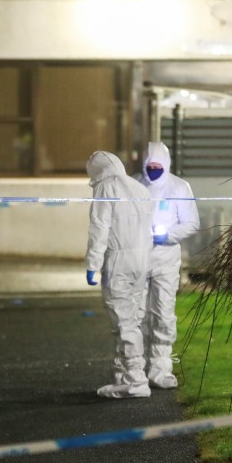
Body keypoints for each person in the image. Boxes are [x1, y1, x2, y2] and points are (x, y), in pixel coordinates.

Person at [85, 150, 154, 399]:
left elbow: (99, 228)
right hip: (142, 260)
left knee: (124, 323)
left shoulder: (106, 188)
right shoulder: (140, 188)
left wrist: (93, 264)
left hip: (119, 261)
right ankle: (124, 375)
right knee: (133, 319)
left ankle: (135, 380)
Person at [134, 142, 200, 389]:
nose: (153, 170)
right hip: (138, 259)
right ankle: (135, 368)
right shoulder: (135, 184)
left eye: (157, 166)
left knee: (162, 314)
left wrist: (168, 235)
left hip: (165, 260)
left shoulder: (179, 187)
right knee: (136, 314)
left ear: (166, 164)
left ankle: (160, 370)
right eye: (149, 166)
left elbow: (191, 222)